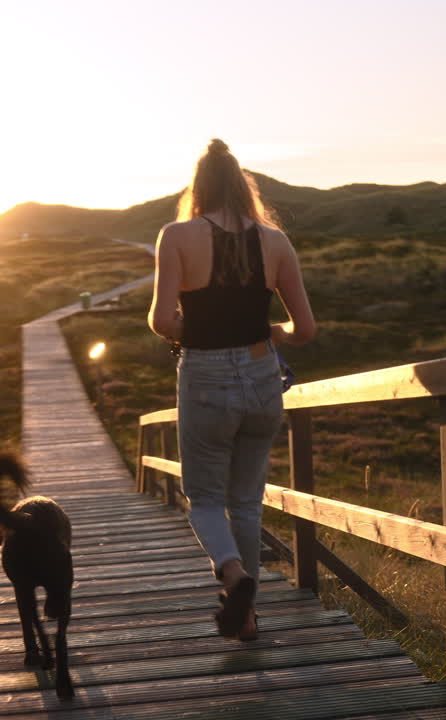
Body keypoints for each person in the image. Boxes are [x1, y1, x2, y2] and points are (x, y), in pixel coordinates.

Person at [147, 138, 316, 640]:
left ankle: (233, 575)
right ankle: (246, 615)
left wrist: (190, 325)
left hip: (205, 377)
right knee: (246, 501)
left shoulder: (176, 235)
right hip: (264, 378)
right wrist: (275, 333)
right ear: (244, 189)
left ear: (198, 188)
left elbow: (162, 321)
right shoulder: (276, 241)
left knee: (202, 498)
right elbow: (304, 329)